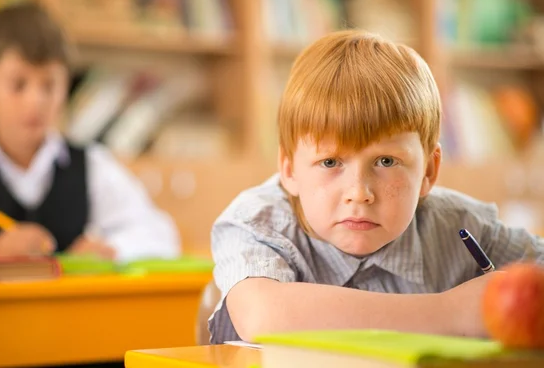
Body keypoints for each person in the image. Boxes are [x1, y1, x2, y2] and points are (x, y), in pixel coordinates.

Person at [208, 29, 544, 344]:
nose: (359, 192)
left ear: (429, 169)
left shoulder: (465, 226)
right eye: (330, 162)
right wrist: (456, 311)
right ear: (289, 169)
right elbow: (265, 316)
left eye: (385, 162)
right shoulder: (257, 224)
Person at [0, 2, 180, 262]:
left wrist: (110, 248)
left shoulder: (92, 164)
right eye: (18, 84)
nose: (36, 101)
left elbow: (161, 235)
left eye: (49, 85)